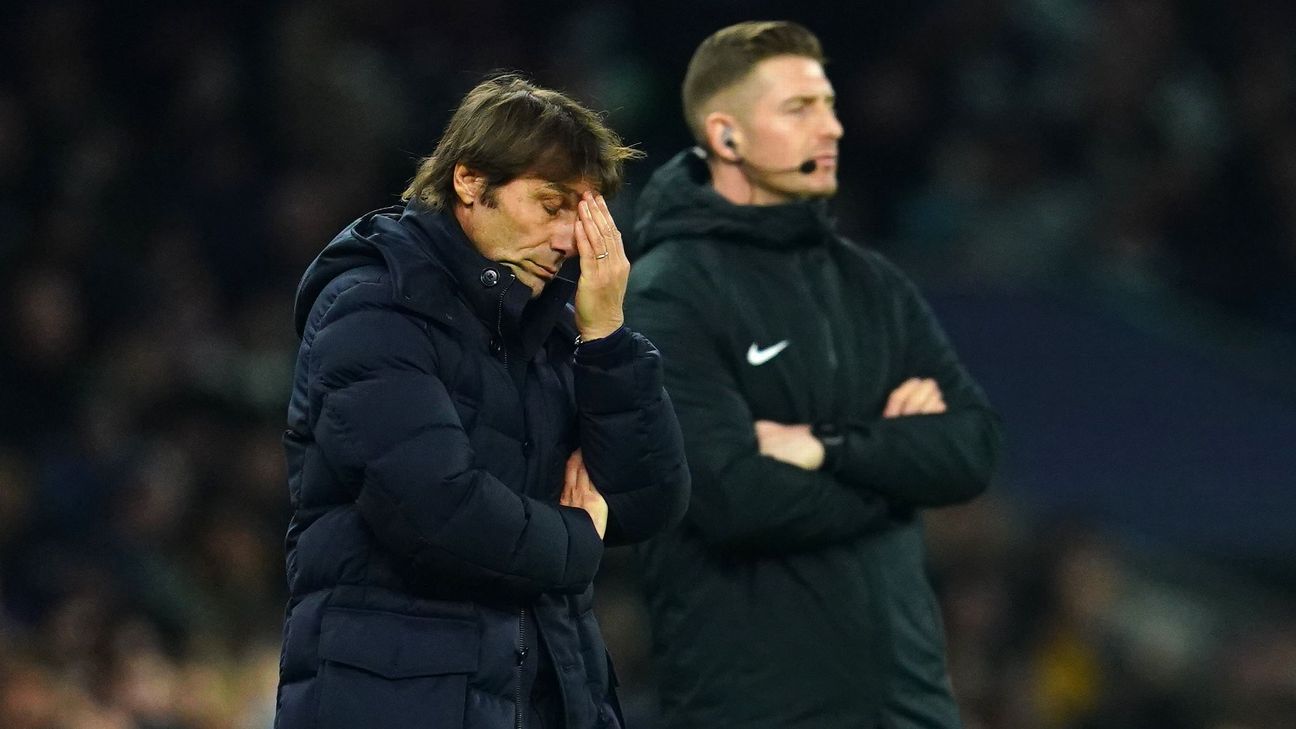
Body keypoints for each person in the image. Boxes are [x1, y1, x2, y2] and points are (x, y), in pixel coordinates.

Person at [274, 74, 690, 729]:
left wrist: (607, 338)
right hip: (400, 703)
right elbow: (440, 513)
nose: (569, 239)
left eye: (583, 215)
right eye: (551, 204)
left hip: (548, 699)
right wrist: (579, 537)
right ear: (469, 182)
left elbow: (649, 498)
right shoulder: (372, 309)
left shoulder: (555, 327)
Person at [625, 22, 1003, 729]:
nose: (831, 127)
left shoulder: (872, 284)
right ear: (727, 136)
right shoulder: (667, 292)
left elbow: (973, 448)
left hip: (908, 705)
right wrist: (898, 469)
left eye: (828, 104)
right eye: (799, 108)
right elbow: (732, 497)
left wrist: (827, 447)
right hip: (758, 708)